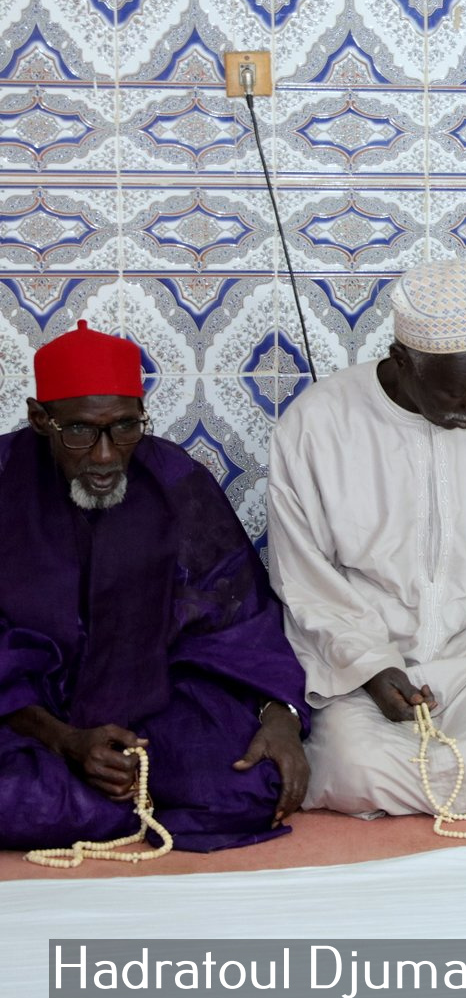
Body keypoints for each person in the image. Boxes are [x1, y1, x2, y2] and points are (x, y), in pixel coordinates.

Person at [267, 259, 466, 817]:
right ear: (402, 363)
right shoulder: (315, 426)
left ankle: (451, 778)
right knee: (353, 770)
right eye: (455, 396)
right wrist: (369, 667)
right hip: (367, 669)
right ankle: (458, 784)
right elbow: (305, 580)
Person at [0, 322, 309, 853]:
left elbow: (237, 617)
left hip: (152, 703)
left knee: (247, 785)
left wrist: (281, 715)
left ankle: (108, 802)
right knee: (18, 798)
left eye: (124, 427)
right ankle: (120, 802)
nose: (104, 455)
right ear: (39, 419)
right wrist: (67, 741)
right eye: (79, 431)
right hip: (30, 718)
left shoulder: (173, 479)